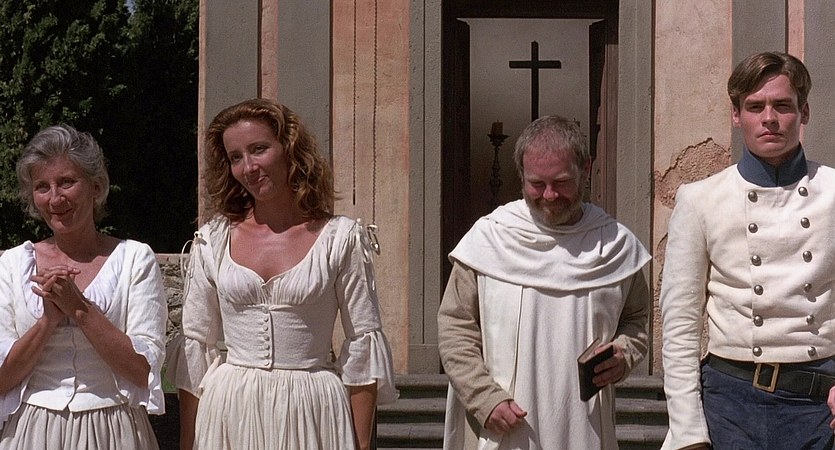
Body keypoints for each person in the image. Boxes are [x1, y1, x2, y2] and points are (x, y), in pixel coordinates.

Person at [164, 98, 398, 450]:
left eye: (258, 149)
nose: (248, 167)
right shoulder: (212, 240)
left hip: (312, 409)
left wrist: (362, 444)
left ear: (289, 149)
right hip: (232, 409)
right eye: (236, 157)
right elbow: (197, 345)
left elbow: (362, 341)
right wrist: (187, 443)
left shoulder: (341, 238)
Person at [438, 115, 651, 449]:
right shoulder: (490, 239)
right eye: (537, 184)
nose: (549, 195)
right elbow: (455, 326)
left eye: (562, 182)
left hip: (585, 428)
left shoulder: (614, 246)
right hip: (505, 426)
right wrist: (484, 398)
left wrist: (623, 354)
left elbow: (637, 320)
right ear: (521, 175)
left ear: (586, 168)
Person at [660, 51, 835, 449]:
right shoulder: (700, 200)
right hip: (729, 404)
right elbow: (680, 325)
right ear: (736, 115)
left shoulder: (833, 192)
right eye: (755, 107)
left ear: (804, 112)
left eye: (782, 106)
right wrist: (688, 431)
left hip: (820, 403)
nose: (769, 118)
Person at [0, 124, 167, 449]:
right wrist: (47, 320)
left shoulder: (134, 259)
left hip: (113, 429)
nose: (55, 198)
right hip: (34, 432)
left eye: (67, 182)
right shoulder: (12, 264)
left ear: (95, 186)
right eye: (42, 187)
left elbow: (141, 371)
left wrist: (79, 308)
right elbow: (3, 379)